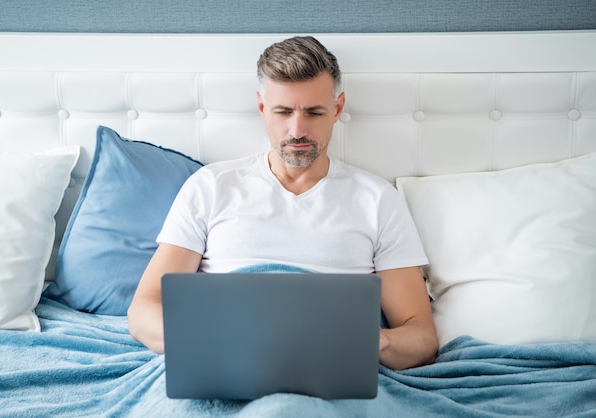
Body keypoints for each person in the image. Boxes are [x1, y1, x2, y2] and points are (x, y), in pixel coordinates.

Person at [128, 36, 438, 370]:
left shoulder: (377, 200)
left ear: (337, 108)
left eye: (314, 112)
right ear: (262, 107)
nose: (297, 130)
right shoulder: (211, 186)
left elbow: (421, 336)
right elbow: (144, 309)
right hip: (224, 355)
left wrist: (374, 341)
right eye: (283, 111)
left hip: (327, 364)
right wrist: (206, 336)